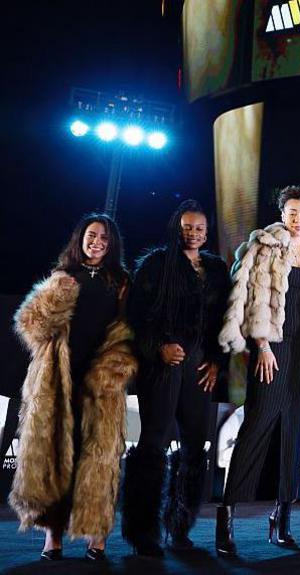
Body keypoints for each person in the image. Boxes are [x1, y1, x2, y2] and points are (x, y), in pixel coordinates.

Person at [215, 186, 300, 557]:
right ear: (282, 213)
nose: (299, 219)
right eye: (293, 212)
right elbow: (247, 298)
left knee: (293, 436)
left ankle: (280, 521)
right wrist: (262, 345)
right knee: (256, 428)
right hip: (272, 351)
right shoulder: (263, 246)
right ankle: (226, 518)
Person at [10, 213, 135, 562]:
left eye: (104, 239)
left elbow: (127, 332)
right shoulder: (63, 277)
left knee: (97, 459)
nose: (97, 242)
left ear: (112, 246)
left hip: (101, 384)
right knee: (55, 457)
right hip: (57, 382)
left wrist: (111, 370)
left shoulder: (121, 281)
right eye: (92, 236)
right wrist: (56, 295)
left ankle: (97, 537)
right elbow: (30, 329)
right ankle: (53, 537)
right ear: (80, 238)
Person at [121, 200, 231, 556]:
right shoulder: (156, 264)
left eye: (199, 228)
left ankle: (179, 526)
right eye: (187, 227)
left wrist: (216, 360)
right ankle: (142, 532)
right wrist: (159, 348)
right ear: (176, 227)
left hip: (200, 366)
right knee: (152, 444)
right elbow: (137, 317)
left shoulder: (216, 269)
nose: (193, 233)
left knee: (196, 447)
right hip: (163, 364)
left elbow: (223, 322)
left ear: (206, 232)